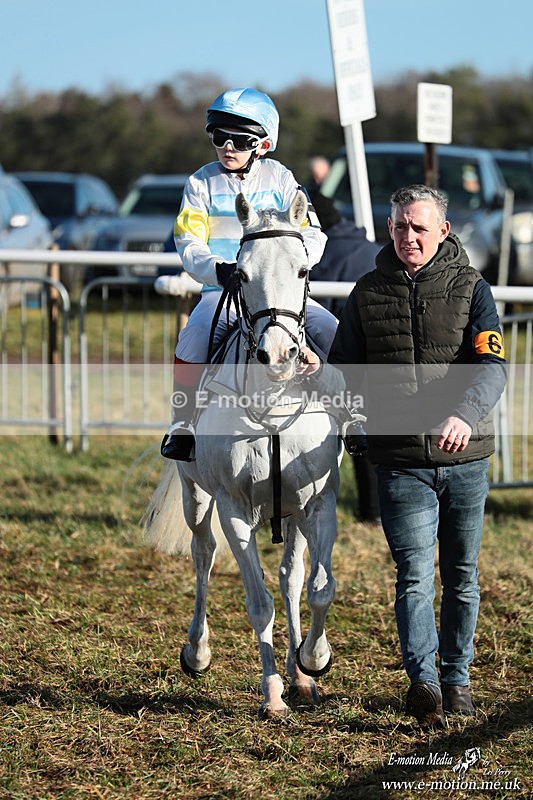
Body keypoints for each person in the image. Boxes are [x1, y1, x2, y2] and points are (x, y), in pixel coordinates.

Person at [328, 184, 507, 728]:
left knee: (462, 576)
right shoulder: (366, 292)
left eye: (420, 227)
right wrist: (324, 377)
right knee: (413, 576)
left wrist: (465, 415)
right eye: (401, 226)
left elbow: (492, 366)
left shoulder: (472, 288)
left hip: (465, 458)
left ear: (443, 231)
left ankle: (457, 680)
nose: (409, 236)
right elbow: (345, 370)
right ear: (389, 228)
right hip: (400, 460)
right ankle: (424, 683)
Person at [156, 88, 338, 461]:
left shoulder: (282, 178)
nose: (227, 147)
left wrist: (292, 264)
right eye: (219, 137)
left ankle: (352, 414)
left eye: (239, 140)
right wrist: (217, 270)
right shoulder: (199, 183)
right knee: (192, 338)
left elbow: (314, 234)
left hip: (281, 295)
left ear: (263, 144)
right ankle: (183, 425)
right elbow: (188, 241)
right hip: (222, 293)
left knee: (333, 329)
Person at [308, 189, 382, 524]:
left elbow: (315, 310)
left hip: (342, 353)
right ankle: (373, 511)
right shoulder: (364, 243)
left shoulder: (321, 253)